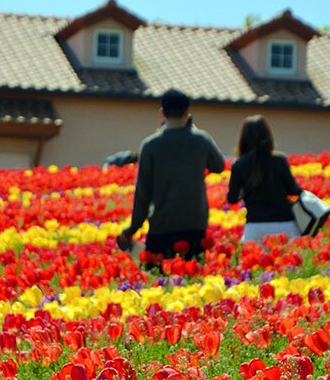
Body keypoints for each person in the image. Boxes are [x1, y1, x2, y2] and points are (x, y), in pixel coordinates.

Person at [118, 89, 225, 263]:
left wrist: (132, 229)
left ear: (162, 112)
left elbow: (143, 194)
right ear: (187, 111)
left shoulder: (150, 145)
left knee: (162, 277)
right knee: (193, 276)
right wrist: (193, 131)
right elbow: (218, 166)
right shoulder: (201, 140)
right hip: (195, 224)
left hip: (162, 226)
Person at [226, 115, 303, 245]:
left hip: (255, 225)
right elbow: (294, 190)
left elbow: (232, 198)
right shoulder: (280, 161)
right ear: (268, 136)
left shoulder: (239, 165)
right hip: (284, 224)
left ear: (243, 138)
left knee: (253, 257)